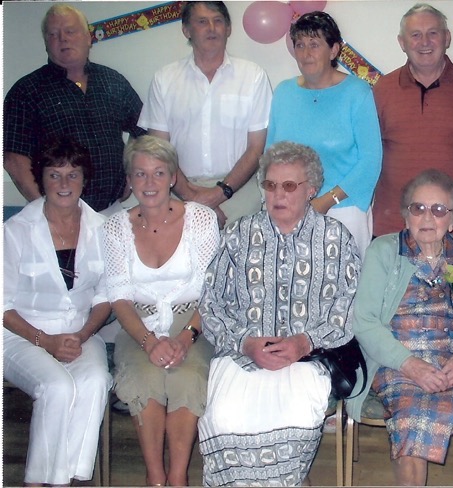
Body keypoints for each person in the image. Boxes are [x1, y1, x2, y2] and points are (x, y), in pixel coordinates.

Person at [198, 141, 362, 486]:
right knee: (225, 419)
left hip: (308, 359)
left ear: (311, 190)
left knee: (295, 420)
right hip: (242, 355)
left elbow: (349, 307)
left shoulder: (335, 238)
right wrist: (244, 343)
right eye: (271, 185)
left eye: (289, 186)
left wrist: (306, 341)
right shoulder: (239, 234)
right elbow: (211, 303)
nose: (278, 195)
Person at [348, 169, 453, 486]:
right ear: (406, 216)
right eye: (418, 208)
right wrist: (411, 365)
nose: (427, 217)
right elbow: (363, 320)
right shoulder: (384, 251)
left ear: (452, 219)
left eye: (438, 209)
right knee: (414, 422)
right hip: (398, 362)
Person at [103, 135, 220, 486]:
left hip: (196, 321)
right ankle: (155, 476)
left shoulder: (200, 218)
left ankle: (178, 475)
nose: (149, 183)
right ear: (129, 180)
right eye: (140, 174)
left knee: (187, 378)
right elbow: (119, 298)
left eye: (158, 173)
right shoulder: (115, 227)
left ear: (172, 177)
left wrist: (186, 338)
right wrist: (149, 342)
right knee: (144, 378)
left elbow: (212, 290)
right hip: (138, 324)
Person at [3, 136, 112, 485]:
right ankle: (38, 481)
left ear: (85, 178)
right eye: (54, 175)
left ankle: (69, 479)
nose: (64, 184)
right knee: (57, 388)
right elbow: (1, 305)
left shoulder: (103, 230)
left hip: (80, 332)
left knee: (96, 381)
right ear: (41, 178)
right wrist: (45, 340)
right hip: (21, 335)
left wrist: (81, 335)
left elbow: (106, 297)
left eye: (73, 174)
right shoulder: (16, 230)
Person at [138, 1, 273, 228]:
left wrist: (220, 193)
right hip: (179, 194)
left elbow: (256, 148)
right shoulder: (165, 79)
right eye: (202, 21)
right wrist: (192, 197)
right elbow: (158, 150)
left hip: (239, 196)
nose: (211, 27)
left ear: (228, 29)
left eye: (218, 21)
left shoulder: (253, 76)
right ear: (186, 29)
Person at [4, 4, 145, 214]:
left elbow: (144, 130)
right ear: (46, 44)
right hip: (55, 215)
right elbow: (14, 159)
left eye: (70, 31)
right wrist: (47, 209)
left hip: (111, 211)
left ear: (88, 37)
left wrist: (132, 173)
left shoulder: (113, 81)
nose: (63, 39)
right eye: (53, 34)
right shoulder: (26, 91)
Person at [372, 3, 453, 241]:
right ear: (402, 42)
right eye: (415, 35)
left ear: (447, 38)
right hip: (394, 229)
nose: (424, 42)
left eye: (433, 33)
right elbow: (369, 157)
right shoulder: (382, 91)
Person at [266, 11, 382, 258]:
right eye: (300, 45)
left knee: (345, 287)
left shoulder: (357, 92)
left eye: (315, 44)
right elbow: (269, 157)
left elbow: (370, 161)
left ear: (333, 50)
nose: (306, 53)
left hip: (343, 207)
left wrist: (326, 201)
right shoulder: (284, 93)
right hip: (288, 207)